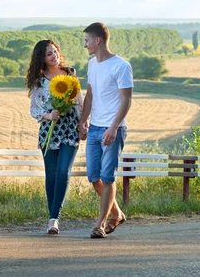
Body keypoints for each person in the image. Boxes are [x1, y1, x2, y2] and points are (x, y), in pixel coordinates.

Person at [78, 22, 133, 239]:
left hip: (113, 129)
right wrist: (83, 122)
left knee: (108, 177)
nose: (85, 45)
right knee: (94, 176)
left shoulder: (121, 66)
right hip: (95, 129)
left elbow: (126, 101)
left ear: (97, 41)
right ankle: (117, 213)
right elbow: (89, 96)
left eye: (87, 41)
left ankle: (100, 224)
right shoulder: (92, 64)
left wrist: (114, 127)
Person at [26, 39, 83, 235]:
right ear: (41, 58)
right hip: (49, 131)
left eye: (55, 51)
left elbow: (79, 100)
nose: (54, 55)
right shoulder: (39, 81)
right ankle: (52, 218)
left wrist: (83, 123)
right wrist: (48, 115)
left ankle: (54, 218)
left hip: (69, 130)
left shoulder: (70, 74)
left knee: (63, 171)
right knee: (51, 175)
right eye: (49, 53)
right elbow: (34, 108)